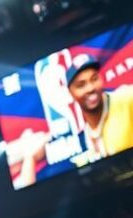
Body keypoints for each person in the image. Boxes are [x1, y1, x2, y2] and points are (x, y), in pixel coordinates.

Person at [17, 54, 133, 187]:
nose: (90, 88)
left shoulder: (125, 98)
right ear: (69, 93)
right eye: (81, 85)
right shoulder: (84, 138)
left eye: (94, 79)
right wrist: (30, 158)